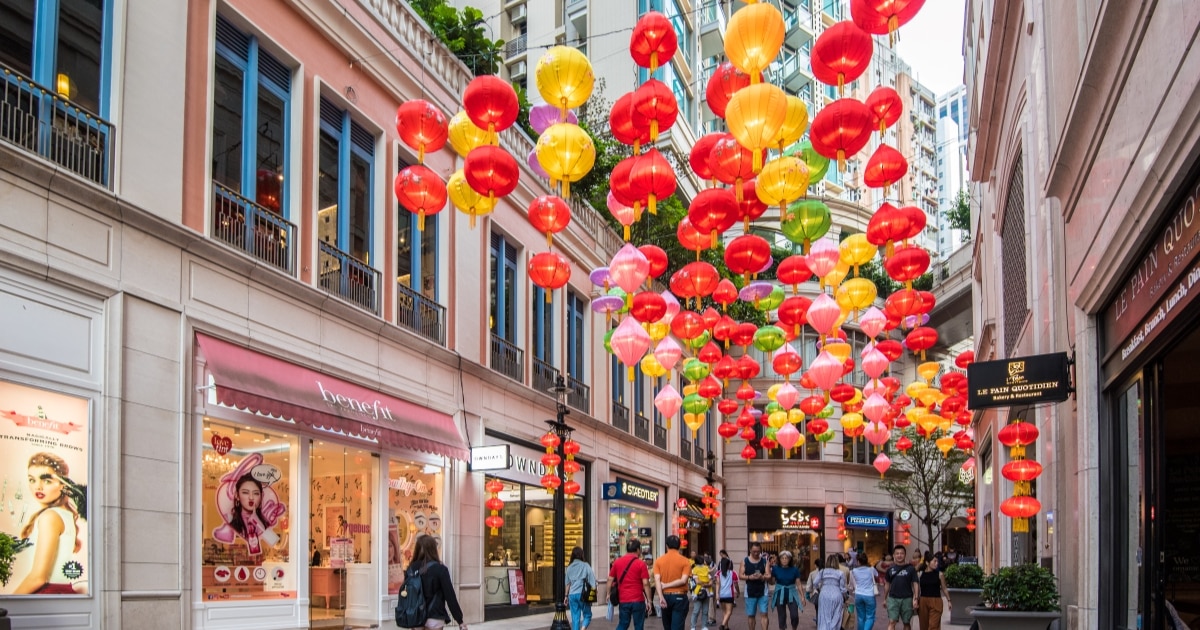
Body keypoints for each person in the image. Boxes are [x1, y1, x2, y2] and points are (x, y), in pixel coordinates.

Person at [14, 452, 87, 594]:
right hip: (59, 591)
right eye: (32, 479)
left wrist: (9, 602)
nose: (38, 487)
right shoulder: (63, 515)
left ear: (62, 484)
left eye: (46, 480)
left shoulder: (51, 517)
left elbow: (38, 578)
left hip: (47, 593)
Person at [401, 534, 465, 630]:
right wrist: (460, 620)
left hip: (415, 616)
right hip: (434, 616)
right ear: (434, 549)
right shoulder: (440, 569)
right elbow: (450, 596)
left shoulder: (411, 569)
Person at [611, 539, 652, 630]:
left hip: (624, 599)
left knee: (623, 624)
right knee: (638, 626)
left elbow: (610, 579)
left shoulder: (617, 562)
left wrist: (607, 593)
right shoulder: (641, 564)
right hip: (638, 599)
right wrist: (649, 601)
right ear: (638, 550)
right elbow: (646, 583)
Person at [876, 545, 919, 630]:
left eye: (901, 553)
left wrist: (916, 598)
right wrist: (885, 598)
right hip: (893, 599)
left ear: (905, 555)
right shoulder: (890, 569)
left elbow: (915, 583)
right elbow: (887, 584)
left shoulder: (911, 569)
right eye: (897, 553)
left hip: (907, 598)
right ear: (894, 555)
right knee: (892, 621)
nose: (899, 555)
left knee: (906, 622)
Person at [655, 535, 692, 630]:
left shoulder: (659, 561)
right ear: (679, 546)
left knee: (667, 627)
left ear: (666, 546)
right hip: (679, 596)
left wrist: (661, 597)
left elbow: (657, 580)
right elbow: (683, 580)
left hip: (665, 596)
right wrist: (667, 585)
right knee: (677, 627)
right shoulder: (685, 561)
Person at [770, 550, 802, 630]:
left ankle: (794, 627)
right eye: (782, 558)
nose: (784, 560)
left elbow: (798, 583)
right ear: (779, 559)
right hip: (780, 593)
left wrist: (802, 596)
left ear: (790, 559)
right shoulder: (775, 569)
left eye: (786, 558)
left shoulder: (794, 569)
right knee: (782, 616)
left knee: (794, 615)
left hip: (792, 593)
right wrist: (768, 577)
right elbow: (772, 582)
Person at [815, 554, 849, 630]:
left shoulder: (822, 572)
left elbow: (815, 583)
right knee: (836, 617)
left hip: (824, 594)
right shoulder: (840, 573)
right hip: (836, 595)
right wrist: (845, 597)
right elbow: (843, 588)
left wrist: (819, 590)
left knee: (824, 617)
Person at [741, 543, 771, 630]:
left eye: (758, 551)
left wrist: (762, 577)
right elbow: (740, 575)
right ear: (750, 550)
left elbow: (769, 575)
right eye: (754, 551)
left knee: (764, 613)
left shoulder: (765, 561)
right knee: (751, 615)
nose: (756, 553)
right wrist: (749, 577)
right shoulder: (744, 561)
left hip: (763, 591)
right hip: (750, 592)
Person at [566, 546, 597, 630]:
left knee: (575, 618)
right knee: (587, 615)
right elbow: (592, 580)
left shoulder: (569, 567)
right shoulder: (585, 565)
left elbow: (567, 583)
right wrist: (594, 590)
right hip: (582, 594)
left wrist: (566, 596)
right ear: (581, 555)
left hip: (572, 595)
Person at [916, 556, 950, 630]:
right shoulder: (920, 574)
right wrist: (915, 599)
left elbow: (944, 588)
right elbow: (917, 589)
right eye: (934, 561)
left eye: (937, 561)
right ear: (927, 563)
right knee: (923, 626)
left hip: (936, 601)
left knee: (933, 626)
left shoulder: (940, 574)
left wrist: (949, 601)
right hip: (923, 601)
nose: (936, 563)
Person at [850, 552, 878, 630]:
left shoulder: (854, 570)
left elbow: (852, 582)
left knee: (860, 617)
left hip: (858, 594)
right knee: (870, 617)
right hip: (869, 595)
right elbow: (877, 575)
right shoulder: (871, 569)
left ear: (858, 561)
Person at [713, 557, 739, 630]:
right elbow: (736, 584)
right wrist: (738, 592)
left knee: (724, 611)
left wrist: (717, 594)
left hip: (721, 594)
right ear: (729, 565)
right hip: (729, 595)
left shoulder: (718, 573)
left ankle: (726, 627)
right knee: (729, 612)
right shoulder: (733, 573)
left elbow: (717, 584)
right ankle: (723, 625)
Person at [689, 553, 712, 630]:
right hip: (702, 592)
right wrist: (706, 583)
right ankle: (694, 626)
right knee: (698, 610)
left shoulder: (703, 568)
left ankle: (702, 626)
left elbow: (701, 581)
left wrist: (705, 583)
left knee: (703, 610)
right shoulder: (695, 569)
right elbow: (698, 581)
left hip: (704, 592)